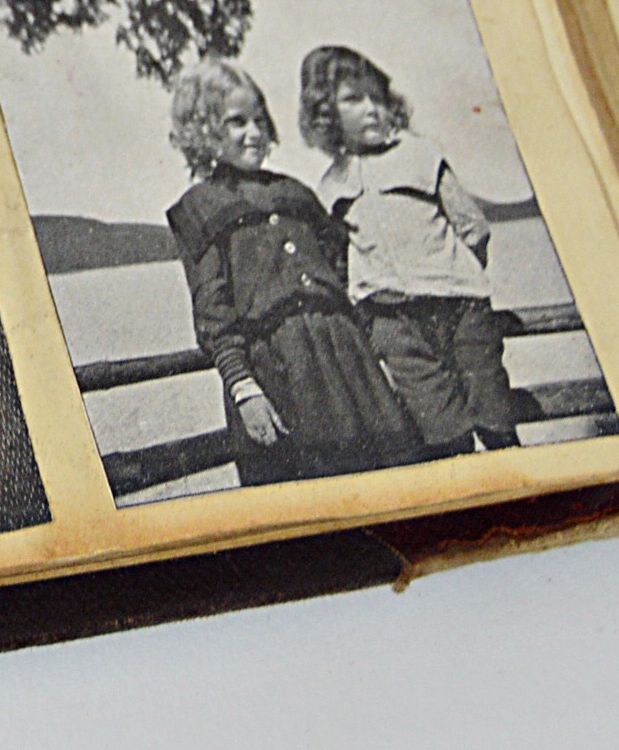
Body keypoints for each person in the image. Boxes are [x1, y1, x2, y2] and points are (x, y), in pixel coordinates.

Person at [162, 60, 423, 486]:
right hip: (279, 372)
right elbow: (212, 310)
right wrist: (243, 387)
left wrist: (377, 353)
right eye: (236, 123)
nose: (253, 133)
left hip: (348, 358)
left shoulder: (296, 193)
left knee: (387, 482)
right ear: (203, 131)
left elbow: (344, 271)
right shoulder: (198, 208)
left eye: (259, 120)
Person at [300, 44, 519, 455]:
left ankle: (524, 492)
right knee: (443, 432)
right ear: (326, 115)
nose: (372, 110)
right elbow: (339, 260)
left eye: (377, 98)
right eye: (353, 99)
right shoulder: (331, 186)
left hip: (460, 307)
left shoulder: (420, 154)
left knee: (493, 415)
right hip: (393, 321)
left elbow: (473, 227)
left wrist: (453, 276)